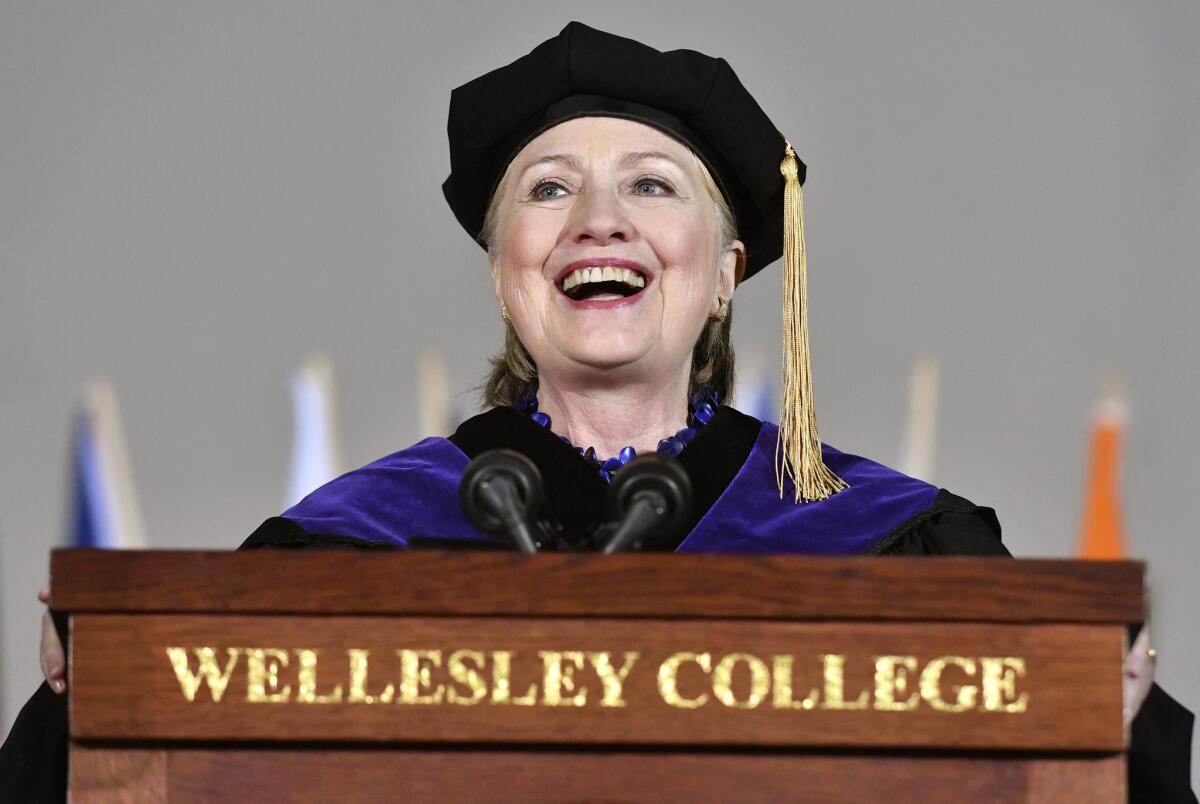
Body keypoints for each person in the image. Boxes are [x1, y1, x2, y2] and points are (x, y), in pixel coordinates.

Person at [3, 21, 1194, 802]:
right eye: (549, 189)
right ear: (504, 266)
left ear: (725, 267)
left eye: (652, 185)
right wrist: (85, 702)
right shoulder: (341, 551)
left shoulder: (903, 547)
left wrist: (1124, 723)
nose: (598, 221)